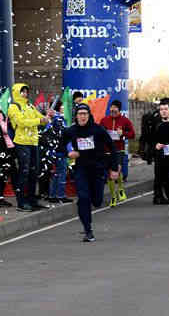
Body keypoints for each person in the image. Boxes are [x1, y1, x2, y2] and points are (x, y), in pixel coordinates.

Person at [60, 103, 117, 242]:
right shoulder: (71, 131)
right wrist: (69, 152)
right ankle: (88, 230)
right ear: (76, 116)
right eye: (80, 114)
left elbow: (112, 147)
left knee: (97, 201)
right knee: (83, 198)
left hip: (97, 168)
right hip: (81, 169)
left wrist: (114, 168)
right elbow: (60, 146)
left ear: (89, 115)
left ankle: (94, 201)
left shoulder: (98, 130)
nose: (83, 116)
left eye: (85, 114)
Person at [8, 83, 55, 212]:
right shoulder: (13, 107)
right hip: (21, 142)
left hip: (33, 142)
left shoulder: (30, 106)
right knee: (24, 172)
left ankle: (32, 200)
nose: (25, 94)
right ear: (17, 92)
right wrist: (40, 121)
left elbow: (40, 117)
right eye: (22, 91)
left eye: (26, 91)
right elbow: (21, 122)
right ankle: (21, 202)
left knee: (34, 172)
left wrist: (47, 116)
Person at [100, 99, 136, 207]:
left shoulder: (125, 121)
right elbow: (99, 133)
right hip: (107, 151)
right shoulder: (104, 120)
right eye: (111, 109)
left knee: (116, 171)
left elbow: (132, 134)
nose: (112, 111)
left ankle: (120, 188)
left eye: (115, 110)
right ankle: (113, 196)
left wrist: (123, 134)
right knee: (111, 175)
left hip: (118, 150)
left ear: (119, 110)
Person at [46, 101, 72, 204]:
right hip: (60, 151)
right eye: (62, 107)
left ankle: (53, 195)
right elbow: (64, 134)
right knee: (61, 173)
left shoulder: (51, 120)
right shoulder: (59, 120)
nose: (63, 109)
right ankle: (60, 195)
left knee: (55, 174)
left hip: (53, 151)